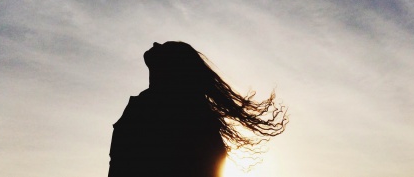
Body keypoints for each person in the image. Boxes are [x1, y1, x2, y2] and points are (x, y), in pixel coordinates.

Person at [108, 41, 288, 177]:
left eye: (165, 47)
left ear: (173, 67)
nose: (155, 44)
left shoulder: (165, 110)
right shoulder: (150, 105)